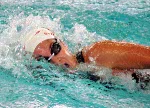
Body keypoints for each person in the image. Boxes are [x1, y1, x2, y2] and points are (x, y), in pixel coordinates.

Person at [21, 28, 150, 76]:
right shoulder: (82, 73)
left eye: (55, 49)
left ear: (62, 43)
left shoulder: (97, 54)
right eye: (45, 59)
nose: (56, 60)